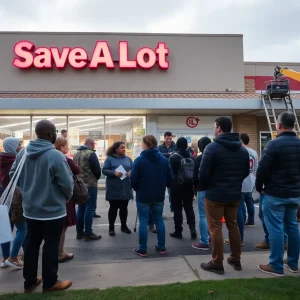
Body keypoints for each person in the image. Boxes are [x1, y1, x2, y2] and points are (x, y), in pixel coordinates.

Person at [10, 120, 74, 293]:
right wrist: (64, 198)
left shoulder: (23, 153)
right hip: (52, 212)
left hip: (30, 210)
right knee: (51, 246)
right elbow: (67, 184)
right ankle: (50, 283)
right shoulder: (55, 156)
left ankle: (29, 282)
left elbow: (12, 175)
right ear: (50, 134)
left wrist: (28, 190)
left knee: (31, 245)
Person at [199, 117, 249, 275]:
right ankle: (235, 258)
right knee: (233, 225)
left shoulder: (211, 148)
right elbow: (245, 172)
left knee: (215, 229)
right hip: (234, 194)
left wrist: (207, 186)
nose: (214, 129)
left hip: (215, 195)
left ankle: (217, 262)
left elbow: (203, 173)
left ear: (219, 128)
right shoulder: (242, 149)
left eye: (214, 126)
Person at [256, 111, 300, 276]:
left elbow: (262, 170)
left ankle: (275, 265)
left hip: (275, 193)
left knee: (276, 228)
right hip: (294, 194)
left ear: (279, 125)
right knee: (293, 226)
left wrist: (259, 186)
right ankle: (293, 262)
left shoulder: (274, 145)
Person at [130, 135, 173, 257]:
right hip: (158, 194)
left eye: (142, 142)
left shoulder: (139, 160)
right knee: (158, 219)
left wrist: (137, 188)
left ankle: (142, 248)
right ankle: (161, 246)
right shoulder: (164, 160)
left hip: (143, 194)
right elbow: (170, 178)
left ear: (146, 144)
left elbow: (133, 179)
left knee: (143, 221)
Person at [224, 133, 258, 247]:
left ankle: (239, 238)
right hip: (250, 181)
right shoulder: (254, 152)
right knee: (247, 202)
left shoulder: (239, 151)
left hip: (240, 182)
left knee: (238, 208)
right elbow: (255, 168)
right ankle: (250, 220)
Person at [0, 137, 26, 269]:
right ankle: (13, 257)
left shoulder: (1, 159)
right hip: (14, 198)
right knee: (23, 229)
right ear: (13, 147)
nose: (21, 147)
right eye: (19, 144)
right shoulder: (16, 161)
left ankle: (4, 258)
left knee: (5, 229)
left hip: (1, 199)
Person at [54, 137, 80, 263]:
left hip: (48, 198)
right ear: (61, 146)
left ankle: (55, 252)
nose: (67, 148)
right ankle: (59, 253)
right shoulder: (64, 159)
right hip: (63, 198)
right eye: (66, 146)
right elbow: (76, 170)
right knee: (62, 227)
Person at [102, 141, 133, 236]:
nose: (124, 149)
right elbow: (104, 170)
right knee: (113, 208)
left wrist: (130, 172)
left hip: (125, 187)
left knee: (124, 208)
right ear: (116, 149)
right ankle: (111, 227)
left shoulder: (128, 158)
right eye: (122, 148)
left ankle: (124, 226)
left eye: (124, 147)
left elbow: (134, 168)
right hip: (114, 188)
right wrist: (113, 173)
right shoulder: (109, 159)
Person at [73, 138, 102, 241]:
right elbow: (97, 170)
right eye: (93, 144)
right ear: (90, 144)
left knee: (81, 208)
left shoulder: (76, 154)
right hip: (90, 185)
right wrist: (95, 179)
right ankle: (88, 233)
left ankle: (79, 232)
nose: (94, 146)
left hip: (79, 186)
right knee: (89, 208)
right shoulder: (91, 154)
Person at [169, 137, 197, 240]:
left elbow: (170, 173)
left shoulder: (173, 157)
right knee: (189, 207)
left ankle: (178, 231)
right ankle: (192, 229)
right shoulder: (191, 157)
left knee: (177, 209)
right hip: (189, 186)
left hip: (176, 186)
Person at [192, 137, 211, 250]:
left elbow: (195, 176)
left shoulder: (200, 158)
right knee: (213, 216)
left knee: (202, 215)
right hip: (214, 189)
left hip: (202, 189)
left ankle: (204, 240)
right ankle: (212, 237)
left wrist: (195, 190)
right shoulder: (216, 156)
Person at [158, 131, 176, 216]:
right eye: (167, 138)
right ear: (164, 138)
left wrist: (166, 155)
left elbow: (176, 155)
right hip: (162, 172)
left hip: (171, 172)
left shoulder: (175, 146)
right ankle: (160, 212)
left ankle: (172, 210)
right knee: (160, 193)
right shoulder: (160, 147)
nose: (169, 140)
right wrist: (169, 154)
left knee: (171, 194)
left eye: (170, 138)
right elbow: (158, 155)